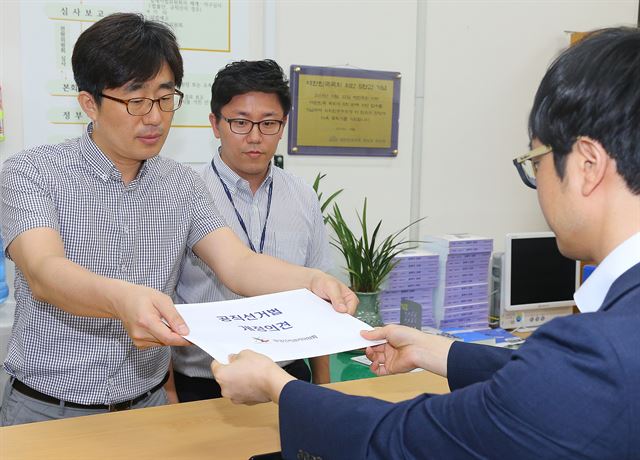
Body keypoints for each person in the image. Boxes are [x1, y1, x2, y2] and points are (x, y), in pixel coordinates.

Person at [211, 27, 640, 459]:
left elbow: (407, 439)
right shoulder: (610, 337)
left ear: (587, 165)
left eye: (535, 160)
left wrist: (277, 387)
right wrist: (436, 350)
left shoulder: (602, 348)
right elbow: (547, 383)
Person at [0, 13, 356, 426]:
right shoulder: (31, 173)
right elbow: (45, 272)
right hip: (47, 410)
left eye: (165, 98)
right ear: (89, 103)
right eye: (136, 99)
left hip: (147, 406)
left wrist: (309, 281)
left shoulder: (181, 184)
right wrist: (122, 300)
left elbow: (238, 264)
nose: (154, 116)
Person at [168, 60, 333, 403]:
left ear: (283, 125)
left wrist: (324, 387)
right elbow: (161, 301)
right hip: (201, 385)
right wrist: (169, 395)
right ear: (215, 123)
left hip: (288, 378)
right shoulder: (183, 194)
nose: (255, 137)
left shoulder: (302, 196)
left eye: (269, 123)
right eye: (240, 122)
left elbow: (318, 302)